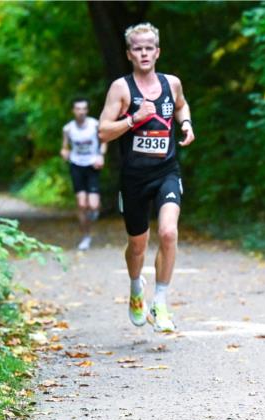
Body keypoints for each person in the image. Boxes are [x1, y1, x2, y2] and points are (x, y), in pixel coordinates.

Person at [97, 22, 195, 332]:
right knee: (137, 245)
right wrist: (132, 119)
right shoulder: (121, 88)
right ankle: (136, 289)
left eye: (149, 47)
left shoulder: (172, 83)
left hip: (166, 171)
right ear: (129, 53)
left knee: (168, 233)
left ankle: (161, 303)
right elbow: (103, 130)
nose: (144, 53)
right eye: (137, 48)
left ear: (157, 51)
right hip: (134, 178)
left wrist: (187, 123)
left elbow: (180, 106)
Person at [61, 98, 107, 251]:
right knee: (81, 204)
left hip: (92, 165)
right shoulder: (68, 128)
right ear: (73, 111)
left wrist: (101, 155)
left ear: (87, 110)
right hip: (76, 165)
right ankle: (86, 236)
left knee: (92, 205)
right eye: (78, 109)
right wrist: (64, 153)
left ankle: (95, 211)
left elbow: (104, 140)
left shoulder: (95, 125)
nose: (81, 112)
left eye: (84, 108)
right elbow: (64, 147)